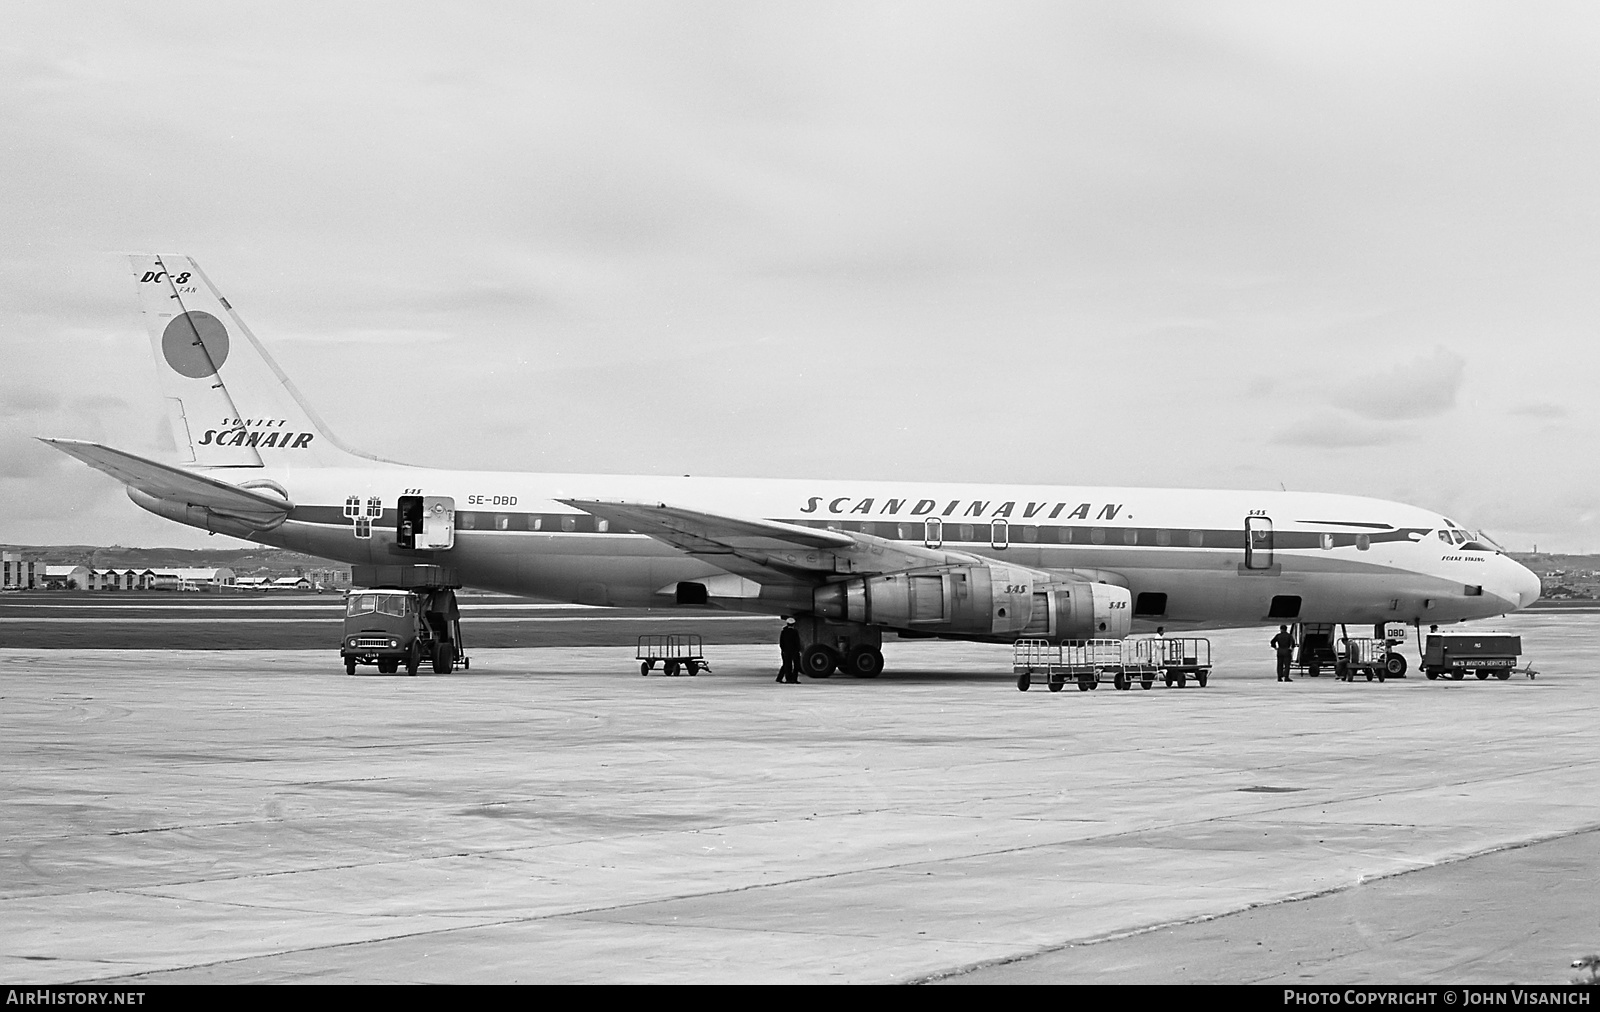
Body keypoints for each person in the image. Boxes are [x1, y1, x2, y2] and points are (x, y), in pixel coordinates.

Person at [777, 618, 801, 684]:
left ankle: (788, 678)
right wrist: (798, 650)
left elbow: (781, 642)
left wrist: (783, 649)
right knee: (796, 665)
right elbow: (797, 642)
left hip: (786, 651)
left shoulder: (784, 632)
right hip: (794, 651)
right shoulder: (795, 632)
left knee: (787, 665)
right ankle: (794, 679)